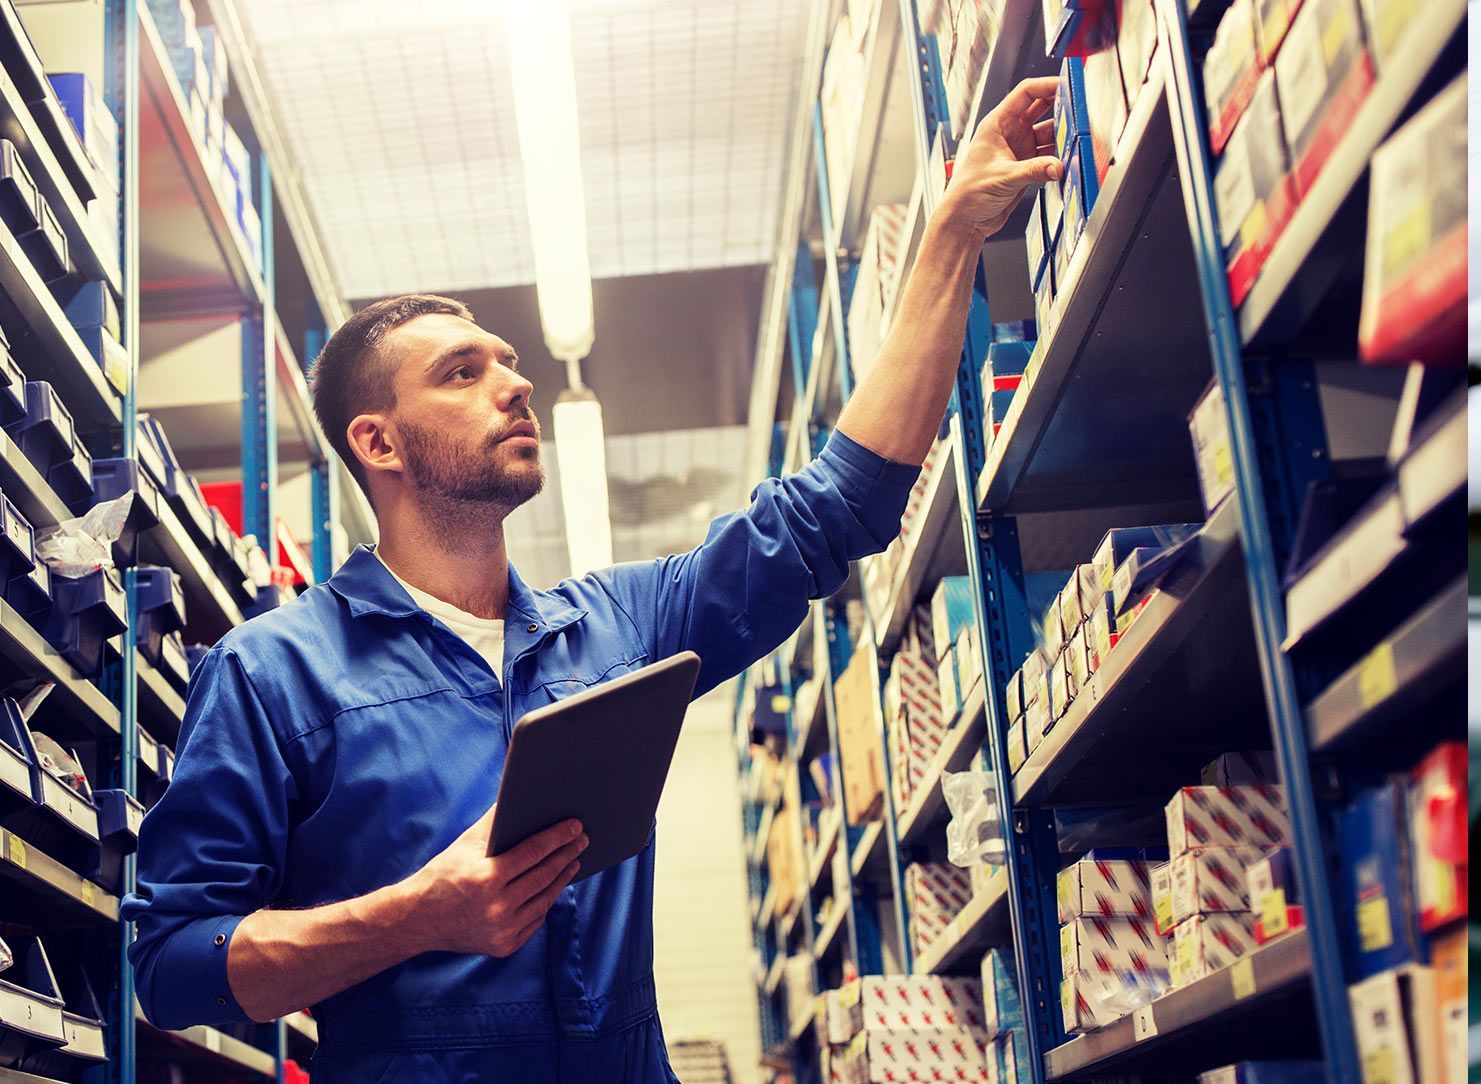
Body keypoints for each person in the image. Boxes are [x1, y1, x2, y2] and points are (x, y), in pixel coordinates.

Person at [125, 76, 1064, 1082]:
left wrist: (952, 234)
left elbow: (840, 508)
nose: (515, 381)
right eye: (461, 372)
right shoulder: (272, 675)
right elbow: (174, 968)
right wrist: (415, 915)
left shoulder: (614, 626)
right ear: (377, 441)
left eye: (508, 360)